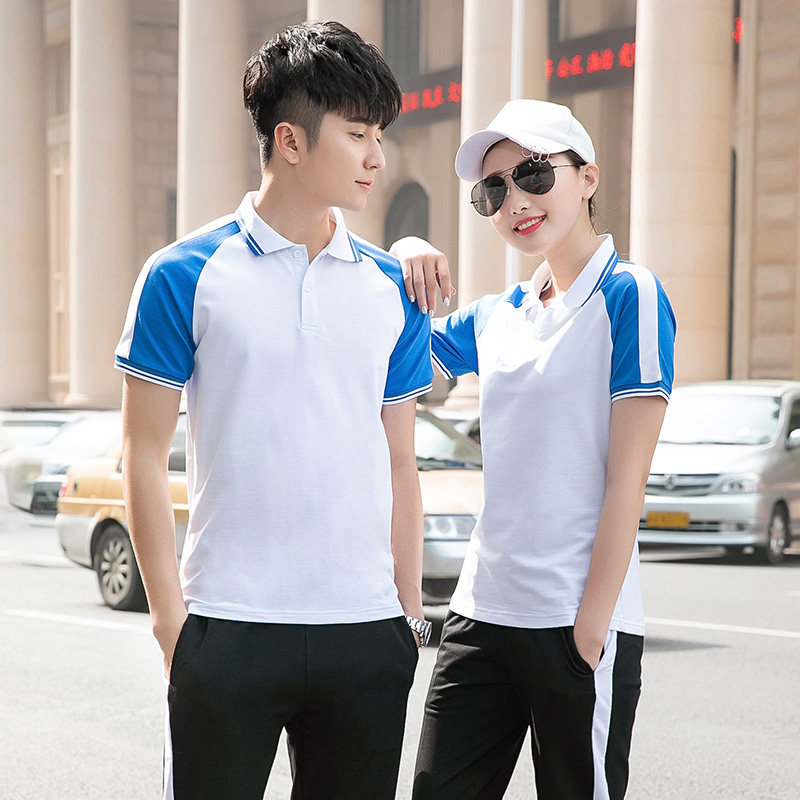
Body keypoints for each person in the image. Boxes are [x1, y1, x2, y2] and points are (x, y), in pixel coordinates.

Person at [115, 21, 433, 800]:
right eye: (357, 134)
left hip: (365, 635)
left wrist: (406, 616)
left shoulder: (393, 290)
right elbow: (143, 456)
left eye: (379, 135)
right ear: (290, 141)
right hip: (227, 628)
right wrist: (172, 626)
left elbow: (400, 459)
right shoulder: (183, 275)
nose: (377, 157)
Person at [392, 99, 676, 799]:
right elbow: (390, 358)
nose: (514, 200)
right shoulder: (498, 315)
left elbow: (627, 480)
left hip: (575, 622)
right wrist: (402, 256)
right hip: (480, 615)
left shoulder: (630, 295)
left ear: (588, 178)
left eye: (534, 174)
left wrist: (590, 633)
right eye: (493, 190)